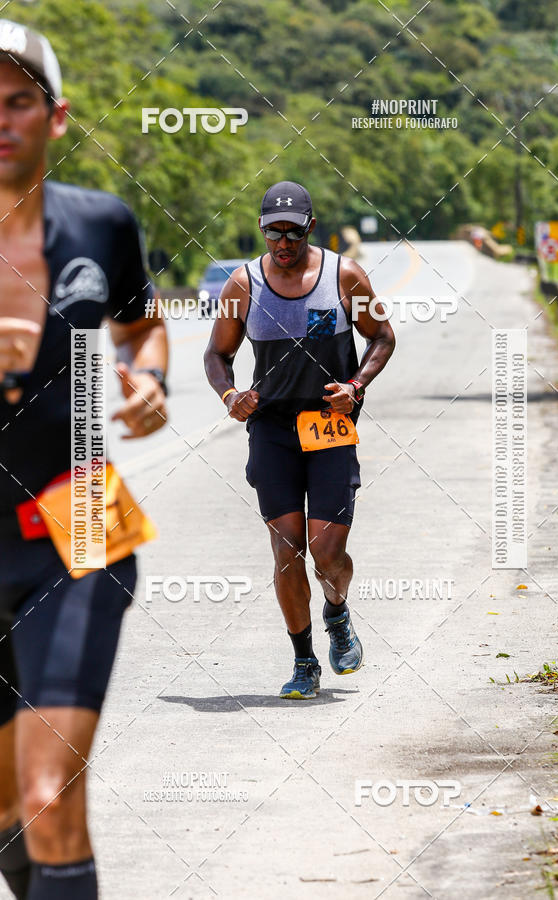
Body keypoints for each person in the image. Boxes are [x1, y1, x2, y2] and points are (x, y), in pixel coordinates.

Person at [0, 21, 168, 899]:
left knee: (47, 793)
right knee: (6, 810)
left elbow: (143, 329)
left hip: (80, 520)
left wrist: (147, 380)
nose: (0, 118)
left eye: (17, 99)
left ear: (55, 117)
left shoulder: (103, 223)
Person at [204, 180, 395, 700]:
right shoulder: (243, 286)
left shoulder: (345, 276)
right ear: (262, 231)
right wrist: (230, 396)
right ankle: (304, 660)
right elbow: (215, 356)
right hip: (272, 431)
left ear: (311, 226)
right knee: (287, 551)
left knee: (326, 551)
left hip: (328, 427)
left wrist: (355, 386)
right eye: (272, 233)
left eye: (292, 231)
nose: (283, 242)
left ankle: (337, 612)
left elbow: (383, 337)